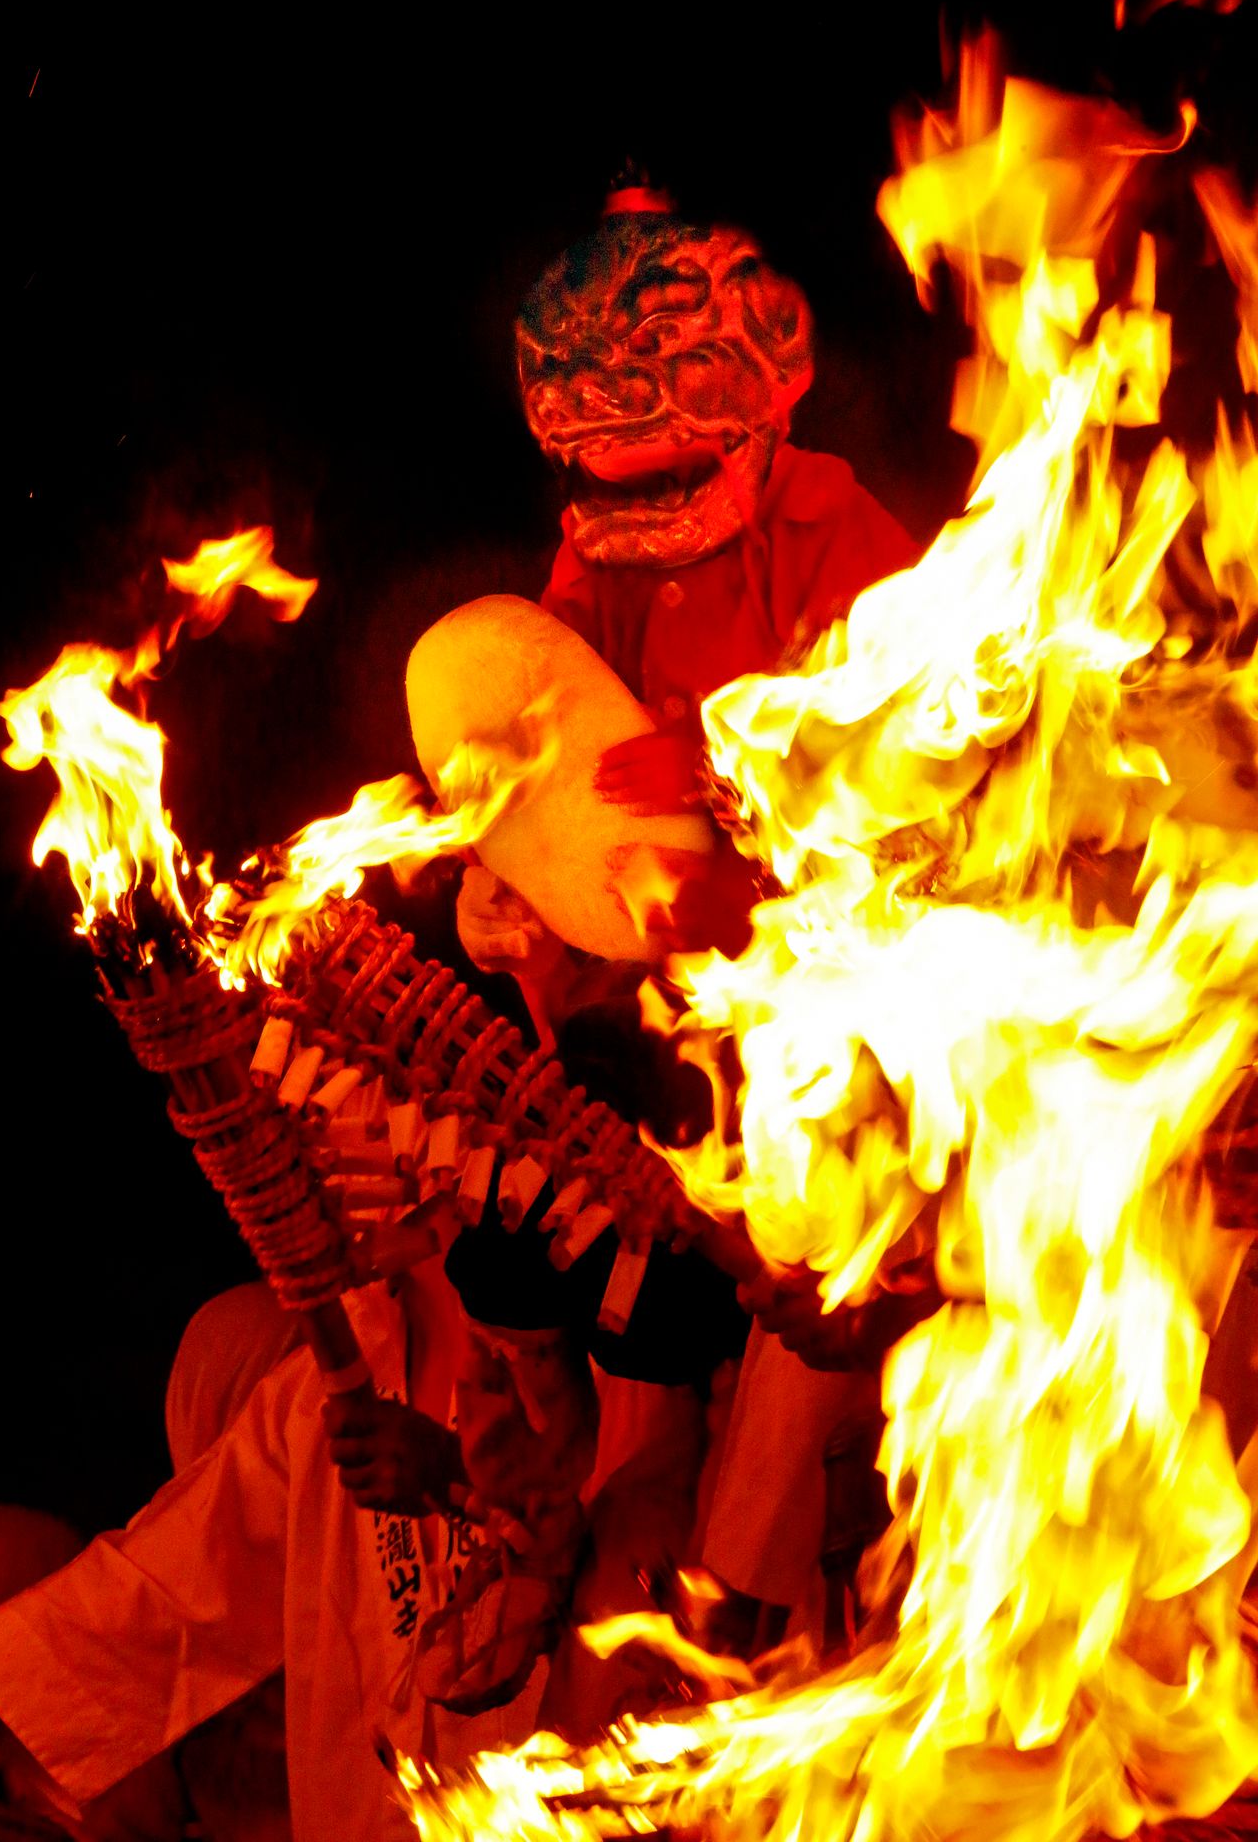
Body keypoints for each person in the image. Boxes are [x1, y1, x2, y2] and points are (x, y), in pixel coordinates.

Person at [431, 178, 922, 1721]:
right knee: (511, 1201)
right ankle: (537, 1495)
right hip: (651, 1013)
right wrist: (511, 870)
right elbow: (552, 741)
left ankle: (729, 1610)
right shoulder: (601, 557)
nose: (627, 489)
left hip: (820, 1025)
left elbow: (906, 797)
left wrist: (727, 793)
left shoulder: (849, 547)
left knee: (777, 1272)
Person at [0, 1265, 544, 1842]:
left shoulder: (567, 1353)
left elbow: (589, 1555)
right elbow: (179, 1585)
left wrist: (460, 1476)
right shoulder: (310, 1396)